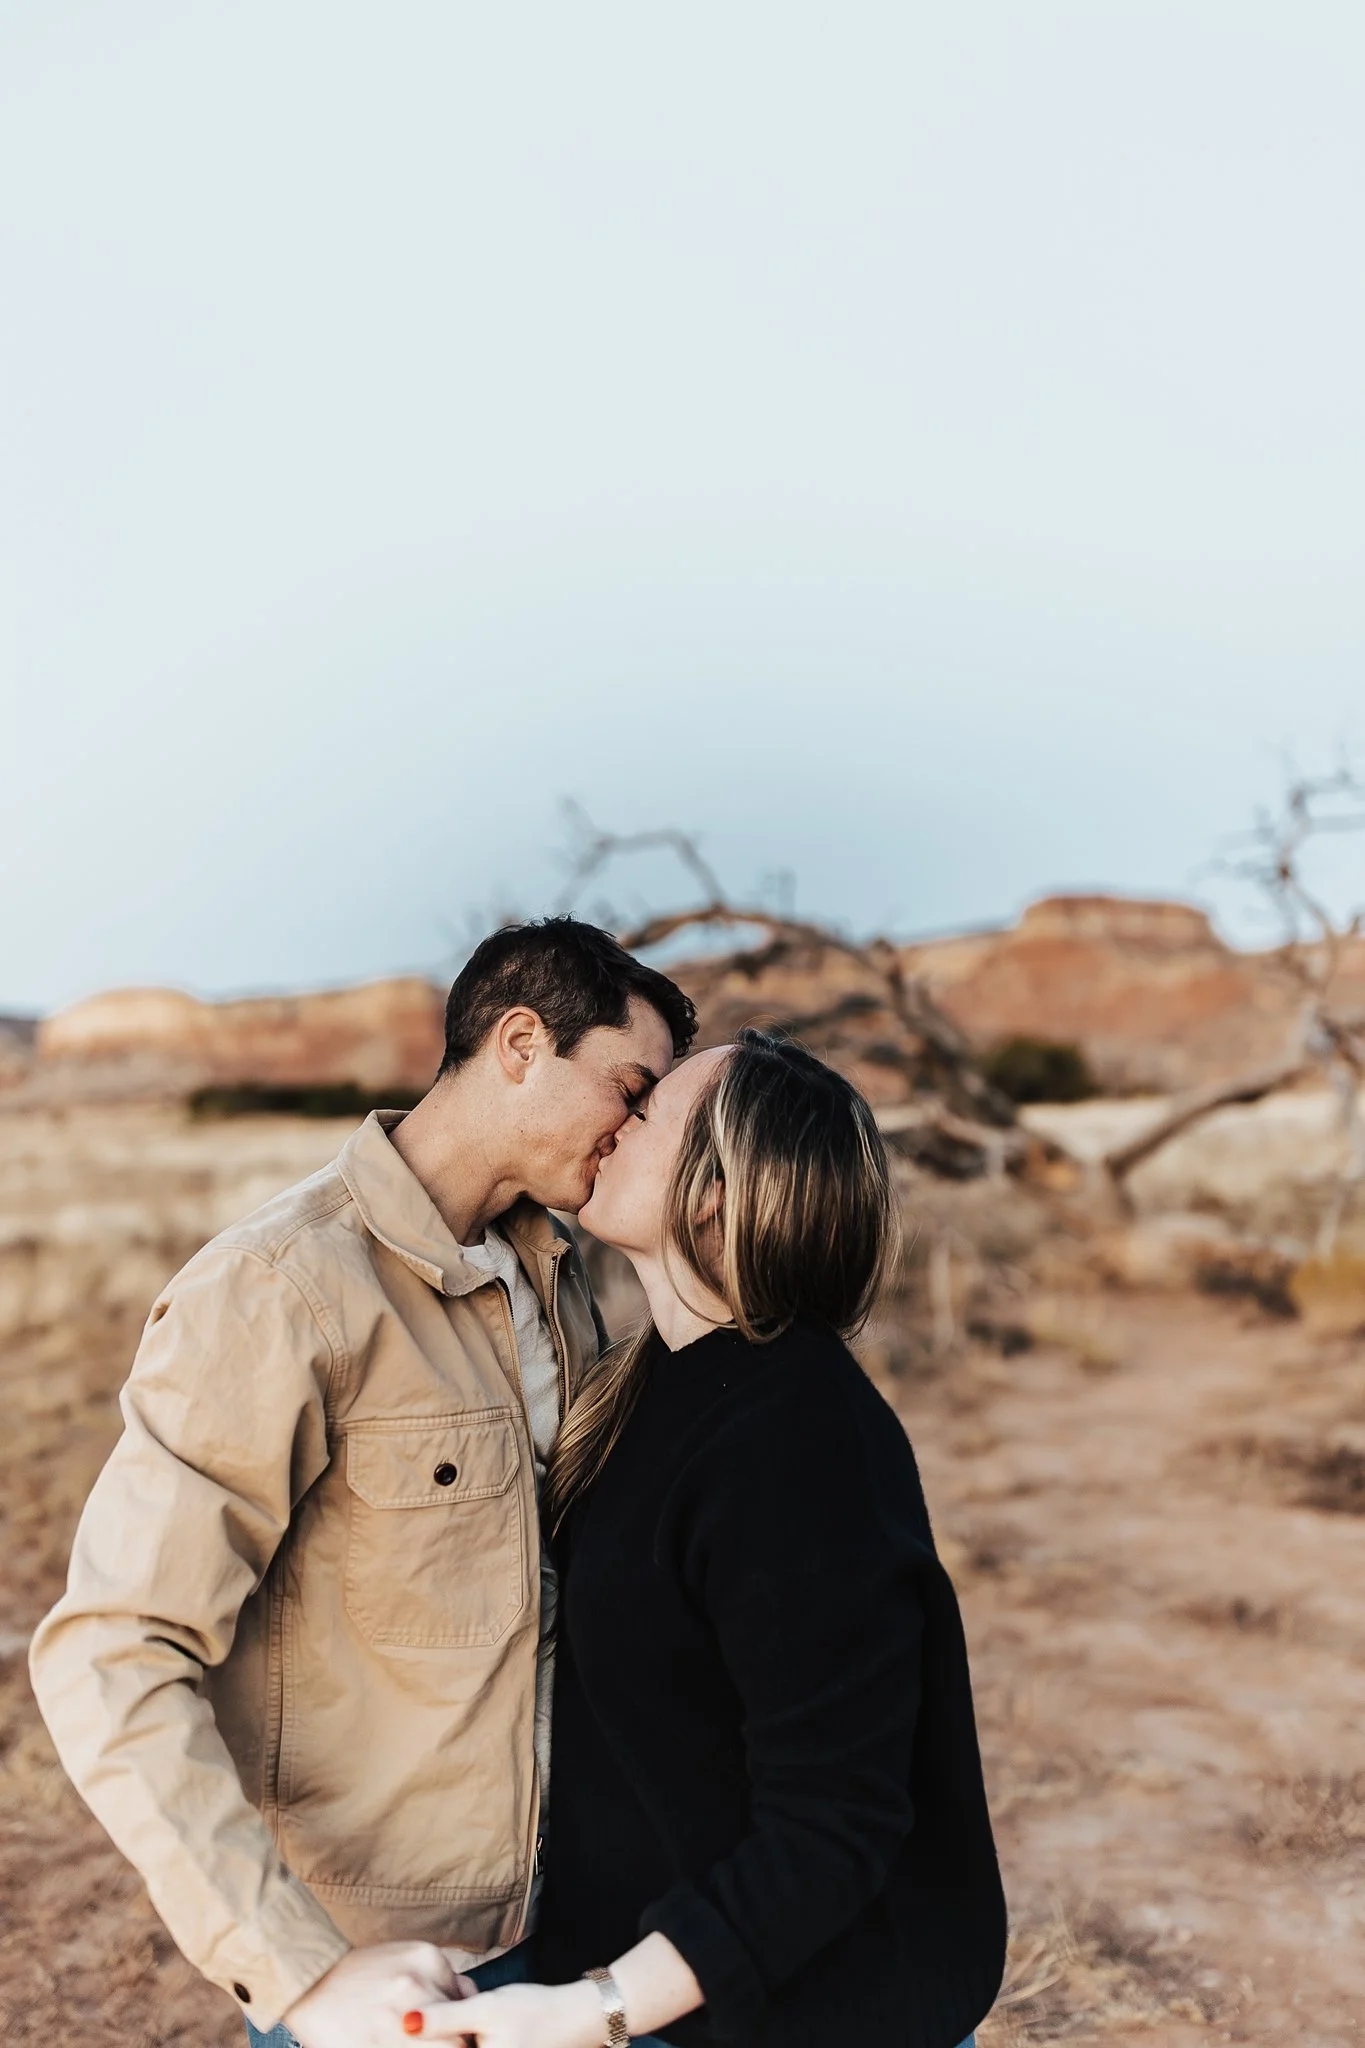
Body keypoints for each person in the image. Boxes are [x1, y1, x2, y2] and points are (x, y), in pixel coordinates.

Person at [29, 919, 696, 2048]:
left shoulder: (557, 1272)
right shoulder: (276, 1289)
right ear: (521, 1044)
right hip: (390, 1972)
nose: (633, 1130)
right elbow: (112, 1648)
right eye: (628, 1090)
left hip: (571, 1923)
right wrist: (297, 1974)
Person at [418, 1028, 1007, 2048]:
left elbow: (832, 1824)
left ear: (713, 1194)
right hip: (671, 1990)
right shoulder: (647, 1388)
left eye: (645, 1110)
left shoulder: (799, 1437)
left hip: (811, 2017)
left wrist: (594, 2009)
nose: (613, 1122)